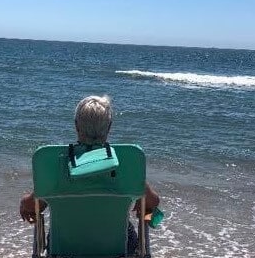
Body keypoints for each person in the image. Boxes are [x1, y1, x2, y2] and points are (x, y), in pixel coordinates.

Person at [19, 96, 160, 240]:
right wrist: (143, 203)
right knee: (144, 214)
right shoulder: (126, 163)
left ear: (76, 126)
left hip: (64, 243)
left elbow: (32, 205)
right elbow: (153, 202)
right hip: (118, 244)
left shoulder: (58, 163)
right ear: (109, 127)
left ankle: (54, 255)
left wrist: (25, 203)